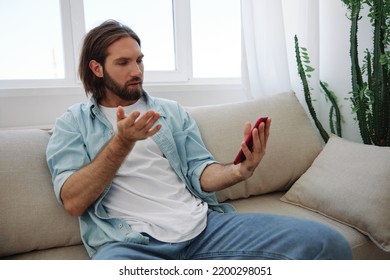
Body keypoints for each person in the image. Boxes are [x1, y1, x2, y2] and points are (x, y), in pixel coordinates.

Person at [46, 19, 352, 260]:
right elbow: (73, 201)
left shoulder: (170, 112)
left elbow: (198, 171)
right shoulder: (72, 124)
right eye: (123, 63)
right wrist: (121, 143)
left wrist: (238, 171)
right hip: (130, 246)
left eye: (139, 60)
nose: (137, 70)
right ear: (97, 68)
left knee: (328, 244)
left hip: (204, 228)